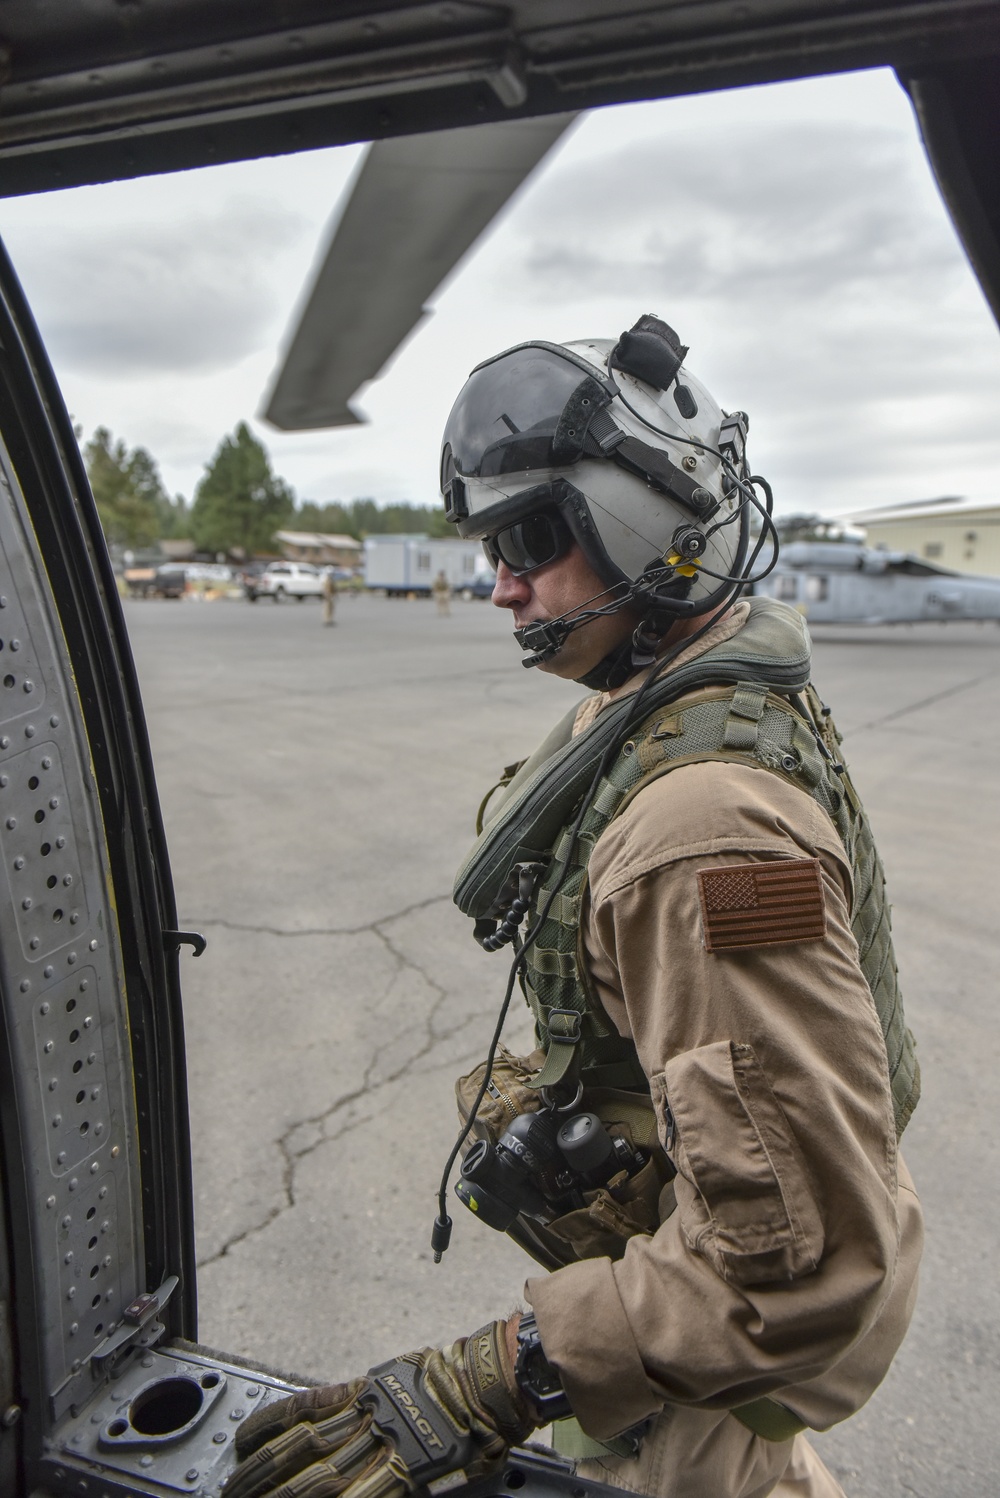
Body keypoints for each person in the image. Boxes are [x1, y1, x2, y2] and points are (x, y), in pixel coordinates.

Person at [224, 317, 922, 1498]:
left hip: (689, 1383)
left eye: (530, 538)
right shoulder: (675, 690)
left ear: (642, 526)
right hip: (677, 1337)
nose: (499, 584)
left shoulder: (702, 820)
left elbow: (801, 1269)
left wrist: (493, 1376)